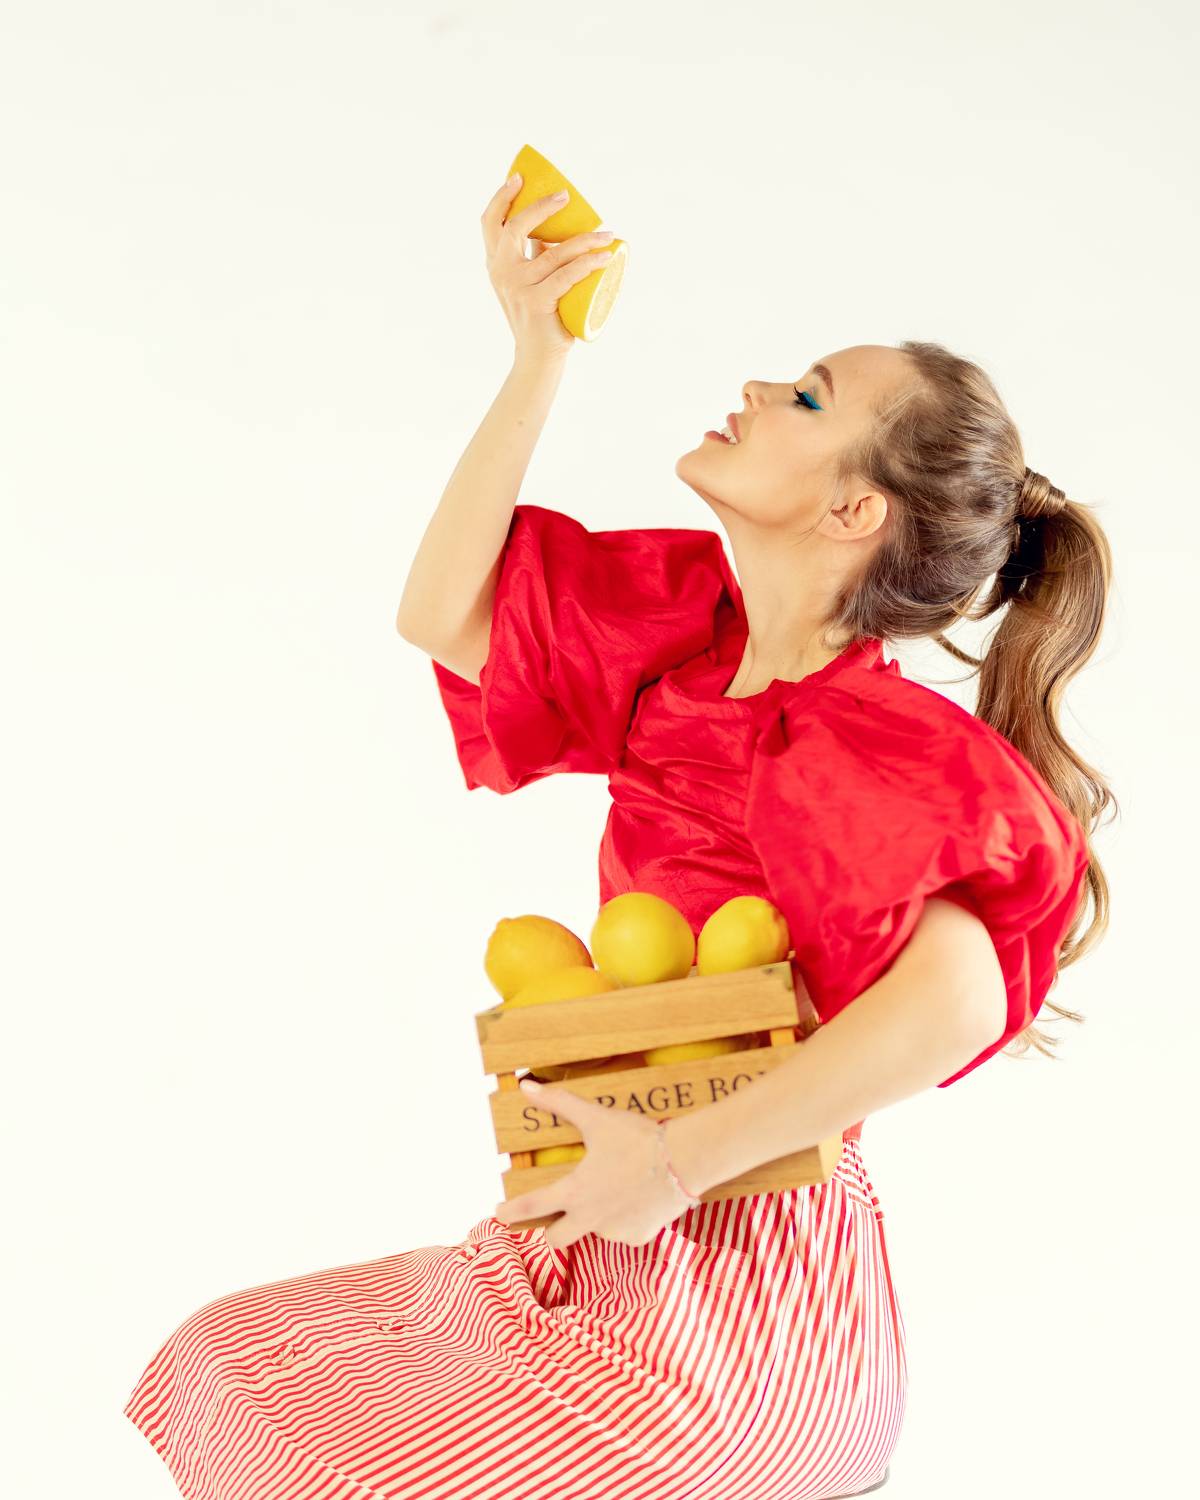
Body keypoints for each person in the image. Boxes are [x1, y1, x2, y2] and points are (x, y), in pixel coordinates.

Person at [122, 176, 1114, 1500]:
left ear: (854, 511)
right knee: (234, 1370)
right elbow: (442, 613)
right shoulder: (685, 656)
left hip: (742, 1294)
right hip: (623, 1226)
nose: (758, 388)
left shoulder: (866, 736)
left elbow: (959, 1003)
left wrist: (674, 1165)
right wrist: (538, 356)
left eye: (807, 398)